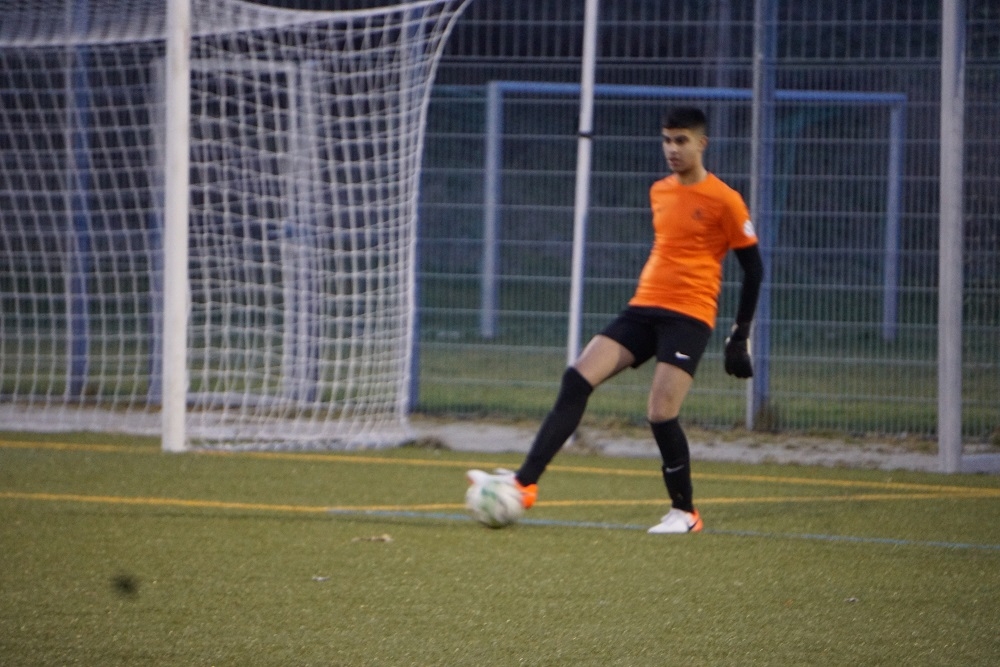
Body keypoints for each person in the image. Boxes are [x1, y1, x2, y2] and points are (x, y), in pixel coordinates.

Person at [469, 106, 763, 534]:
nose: (672, 149)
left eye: (681, 141)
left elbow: (754, 269)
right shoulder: (660, 191)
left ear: (702, 144)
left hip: (689, 316)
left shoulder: (725, 200)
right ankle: (524, 484)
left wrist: (739, 335)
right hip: (643, 307)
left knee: (661, 413)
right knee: (577, 378)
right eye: (666, 140)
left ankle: (685, 513)